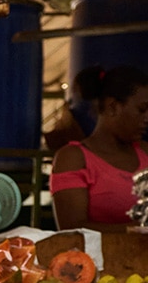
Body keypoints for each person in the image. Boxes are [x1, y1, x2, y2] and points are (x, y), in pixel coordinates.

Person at [50, 64, 148, 231]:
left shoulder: (145, 152)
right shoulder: (73, 159)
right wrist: (135, 230)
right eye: (142, 110)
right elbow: (71, 229)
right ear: (113, 107)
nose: (147, 118)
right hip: (94, 257)